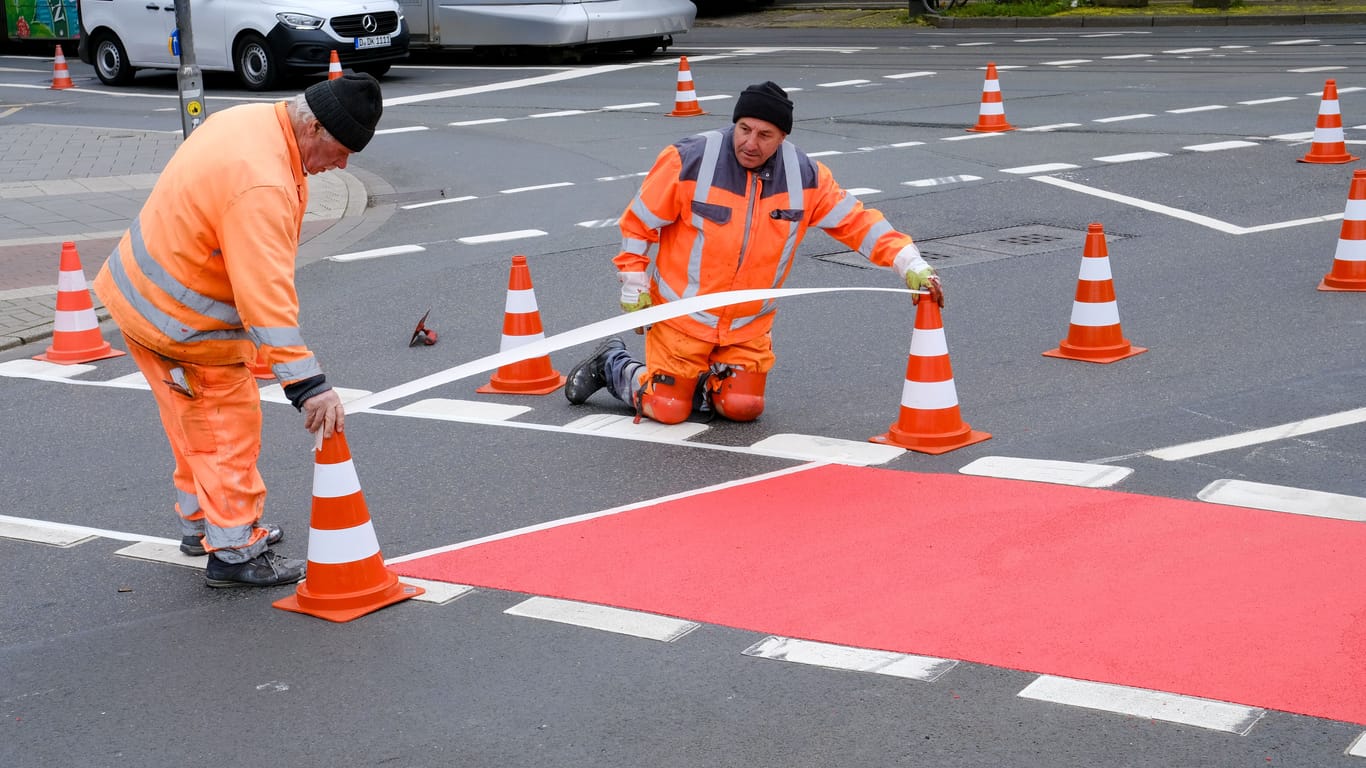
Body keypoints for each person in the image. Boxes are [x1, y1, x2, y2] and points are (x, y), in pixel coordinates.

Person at [92, 74, 383, 588]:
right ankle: (234, 551)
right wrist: (308, 384)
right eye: (339, 151)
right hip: (185, 328)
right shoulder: (262, 180)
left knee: (192, 431)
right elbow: (263, 292)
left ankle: (201, 526)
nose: (340, 166)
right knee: (226, 432)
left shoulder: (250, 123)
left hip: (144, 303)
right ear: (313, 126)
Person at [564, 81, 944, 424]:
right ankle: (612, 363)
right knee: (667, 408)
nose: (750, 142)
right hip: (682, 317)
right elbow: (639, 222)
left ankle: (694, 383)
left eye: (765, 135)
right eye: (744, 129)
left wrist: (911, 264)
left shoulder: (805, 177)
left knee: (743, 407)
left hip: (746, 326)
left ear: (782, 138)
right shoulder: (689, 161)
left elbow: (860, 223)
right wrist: (633, 282)